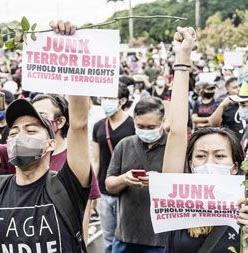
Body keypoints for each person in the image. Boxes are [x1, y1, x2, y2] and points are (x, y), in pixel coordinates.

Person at [0, 20, 92, 252]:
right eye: (14, 132)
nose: (20, 137)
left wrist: (70, 48)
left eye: (31, 130)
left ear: (51, 143)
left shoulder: (66, 185)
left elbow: (79, 125)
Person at [161, 26, 248, 252]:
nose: (209, 162)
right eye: (200, 155)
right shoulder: (174, 198)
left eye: (219, 156)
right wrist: (183, 57)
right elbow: (178, 130)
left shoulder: (245, 209)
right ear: (189, 164)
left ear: (234, 167)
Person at [105, 97, 167, 253]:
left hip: (161, 239)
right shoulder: (125, 145)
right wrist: (123, 179)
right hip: (126, 236)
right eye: (140, 126)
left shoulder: (174, 148)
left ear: (162, 121)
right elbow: (109, 184)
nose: (145, 131)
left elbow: (186, 185)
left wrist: (161, 181)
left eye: (151, 126)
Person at [92, 83, 135, 253]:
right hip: (103, 190)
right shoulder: (98, 126)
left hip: (127, 190)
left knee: (126, 237)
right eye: (103, 98)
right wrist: (92, 191)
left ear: (122, 100)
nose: (105, 102)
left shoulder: (134, 125)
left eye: (110, 98)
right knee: (108, 237)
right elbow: (96, 160)